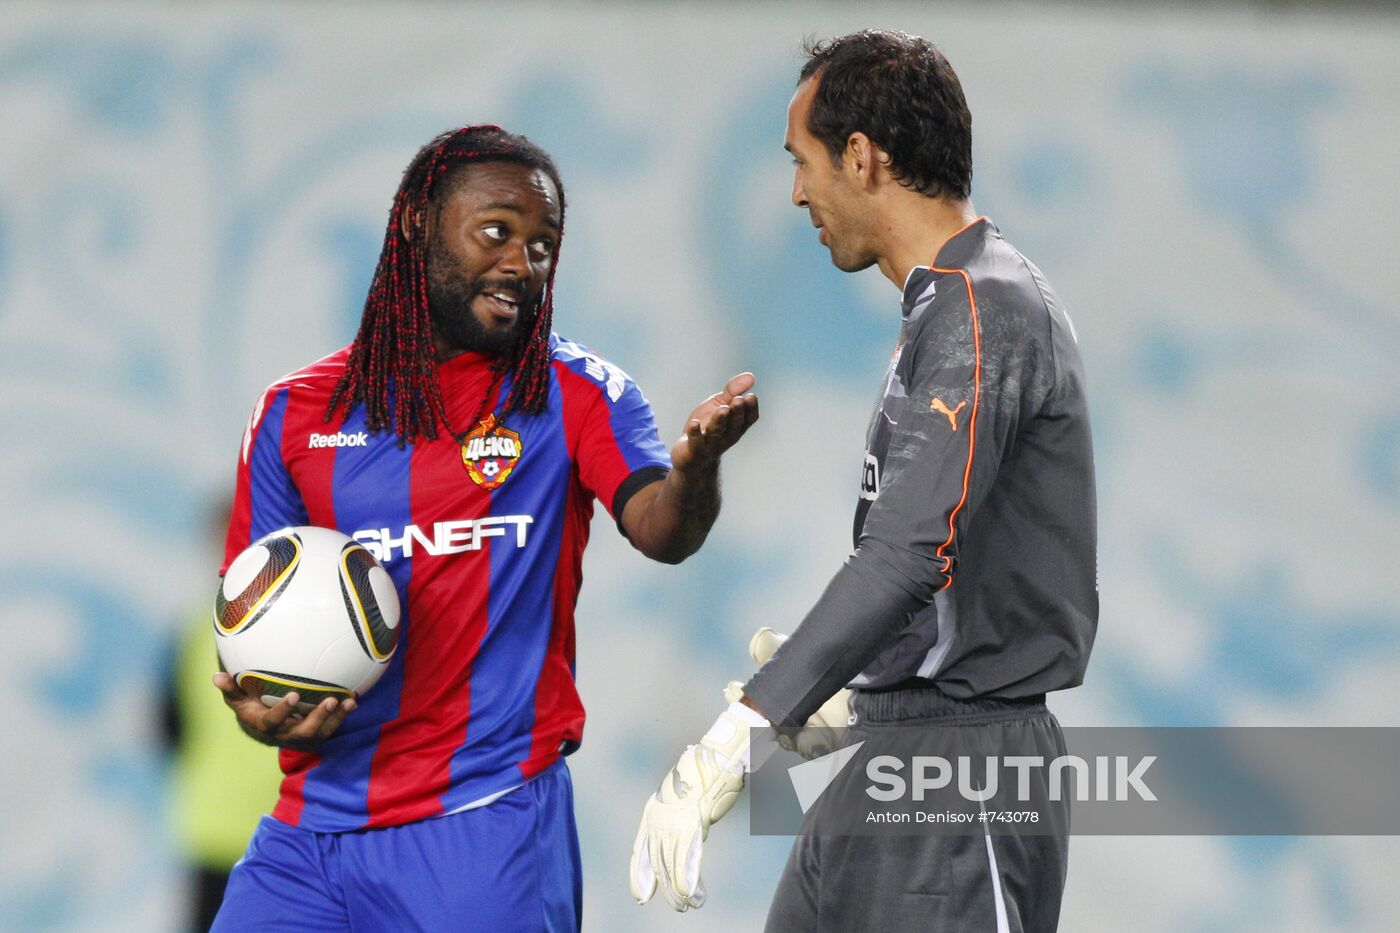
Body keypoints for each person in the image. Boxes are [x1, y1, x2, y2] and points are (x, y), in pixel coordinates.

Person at [211, 125, 758, 931]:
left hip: (484, 822)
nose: (521, 264)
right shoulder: (295, 412)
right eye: (496, 231)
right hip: (309, 832)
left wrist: (697, 468)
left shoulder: (576, 393)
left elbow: (661, 529)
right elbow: (253, 612)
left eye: (542, 246)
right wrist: (257, 704)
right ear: (418, 224)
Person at [629, 30, 1097, 932]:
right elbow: (961, 554)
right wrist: (863, 689)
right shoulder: (951, 304)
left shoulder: (982, 310)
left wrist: (741, 734)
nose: (797, 192)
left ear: (861, 156)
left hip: (960, 781)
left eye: (801, 161)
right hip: (903, 750)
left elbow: (906, 557)